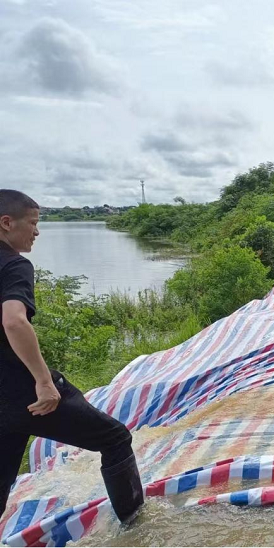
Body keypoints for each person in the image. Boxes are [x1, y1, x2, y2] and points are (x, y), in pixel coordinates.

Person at [0, 190, 143, 524]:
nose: (37, 232)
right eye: (33, 224)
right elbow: (13, 320)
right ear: (6, 223)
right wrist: (44, 381)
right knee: (115, 438)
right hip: (26, 394)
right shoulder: (15, 264)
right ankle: (136, 527)